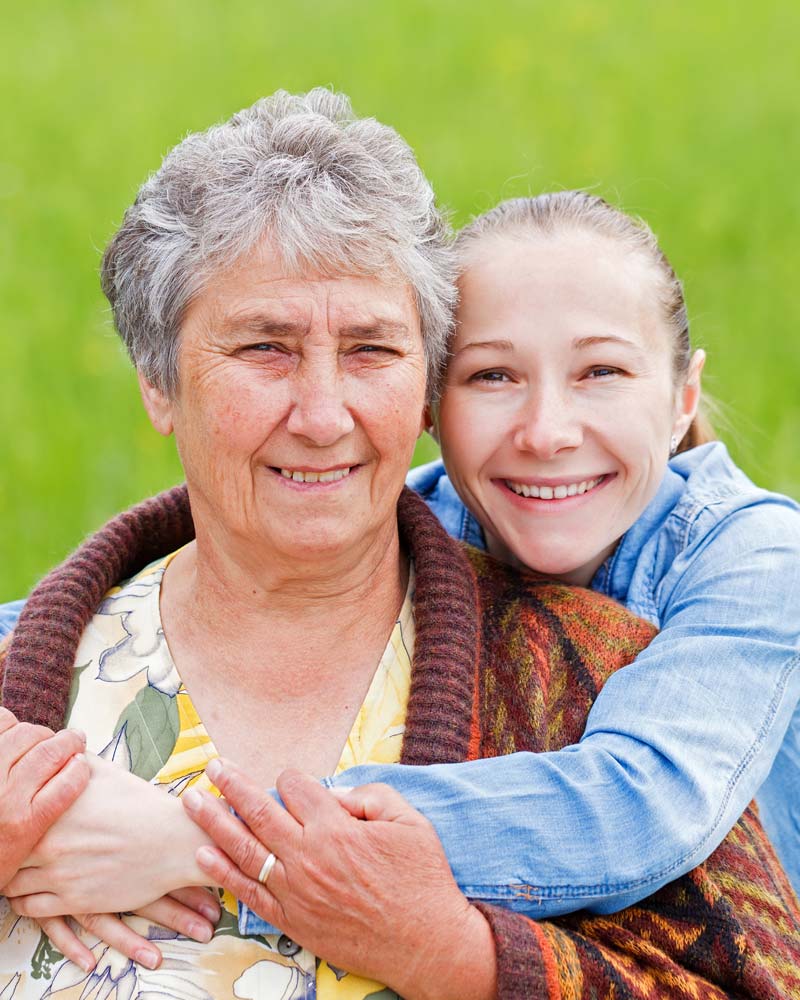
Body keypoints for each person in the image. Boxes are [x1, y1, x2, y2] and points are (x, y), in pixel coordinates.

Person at [1, 92, 799, 998]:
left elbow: (710, 908)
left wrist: (450, 953)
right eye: (265, 347)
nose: (324, 416)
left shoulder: (611, 661)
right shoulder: (35, 673)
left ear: (418, 391)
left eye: (372, 350)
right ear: (158, 382)